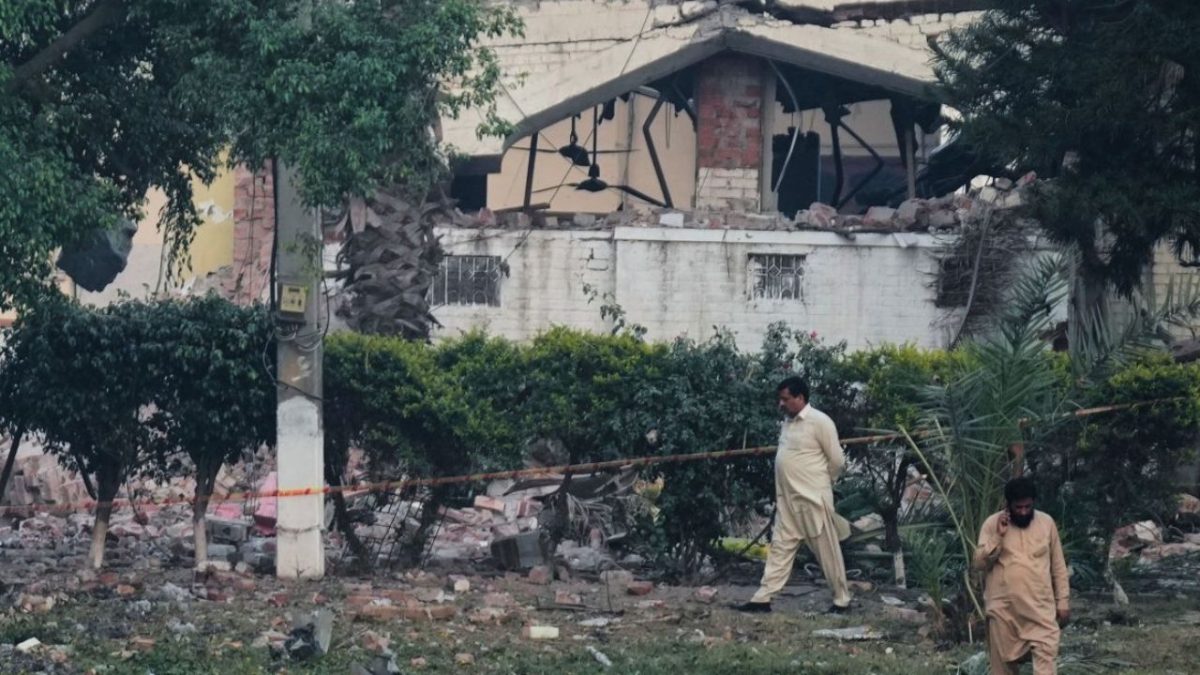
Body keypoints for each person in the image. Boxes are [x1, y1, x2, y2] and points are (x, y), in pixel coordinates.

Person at [736, 376, 852, 614]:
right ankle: (763, 598)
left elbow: (837, 461)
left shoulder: (820, 422)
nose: (781, 404)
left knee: (827, 552)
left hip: (812, 500)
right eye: (780, 399)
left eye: (786, 399)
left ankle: (842, 600)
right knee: (780, 548)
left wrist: (822, 482)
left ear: (800, 398)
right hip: (788, 501)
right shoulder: (787, 423)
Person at [974, 477, 1071, 675]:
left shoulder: (1046, 523)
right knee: (1002, 669)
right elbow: (979, 564)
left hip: (1041, 611)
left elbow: (1058, 566)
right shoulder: (992, 524)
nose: (1024, 511)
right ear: (1008, 505)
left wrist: (1063, 601)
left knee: (1046, 664)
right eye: (1019, 507)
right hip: (1004, 613)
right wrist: (998, 536)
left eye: (1028, 506)